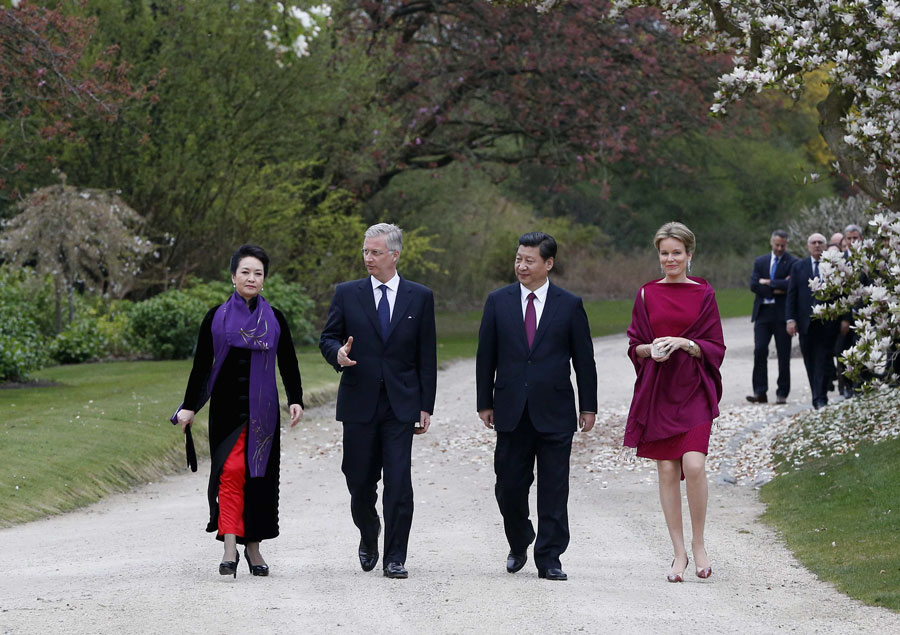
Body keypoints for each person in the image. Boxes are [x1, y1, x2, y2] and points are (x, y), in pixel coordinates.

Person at [173, 244, 304, 578]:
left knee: (258, 479)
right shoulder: (215, 318)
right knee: (230, 475)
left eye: (258, 273)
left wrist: (295, 398)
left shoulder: (275, 319)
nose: (251, 277)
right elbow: (201, 366)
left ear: (264, 280)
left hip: (263, 415)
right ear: (233, 276)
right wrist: (189, 407)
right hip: (227, 413)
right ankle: (230, 546)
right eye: (245, 271)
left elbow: (287, 361)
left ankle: (254, 548)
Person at [476, 232, 597, 581]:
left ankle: (549, 557)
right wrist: (485, 401)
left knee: (554, 488)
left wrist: (588, 406)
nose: (521, 265)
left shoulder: (569, 304)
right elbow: (486, 357)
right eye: (518, 259)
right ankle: (519, 538)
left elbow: (584, 360)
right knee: (509, 486)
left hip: (555, 409)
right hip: (511, 409)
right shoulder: (498, 302)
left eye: (529, 260)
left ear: (548, 263)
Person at [319, 223, 437, 579]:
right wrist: (337, 354)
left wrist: (425, 405)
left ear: (395, 255)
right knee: (358, 478)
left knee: (399, 482)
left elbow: (426, 356)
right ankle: (369, 532)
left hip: (401, 404)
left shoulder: (420, 296)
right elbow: (328, 337)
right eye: (365, 251)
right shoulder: (347, 293)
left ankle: (395, 556)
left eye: (375, 252)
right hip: (359, 401)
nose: (368, 258)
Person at [624, 222, 725, 583]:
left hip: (695, 389)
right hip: (659, 391)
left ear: (689, 254)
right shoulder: (647, 294)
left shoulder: (704, 293)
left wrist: (686, 344)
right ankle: (679, 553)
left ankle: (700, 545)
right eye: (664, 253)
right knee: (667, 470)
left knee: (694, 465)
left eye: (676, 253)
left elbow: (716, 345)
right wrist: (650, 349)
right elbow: (634, 344)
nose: (670, 259)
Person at [785, 233, 841, 409]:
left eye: (820, 242)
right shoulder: (798, 267)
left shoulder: (834, 266)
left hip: (828, 322)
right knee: (810, 360)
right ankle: (816, 394)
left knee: (823, 359)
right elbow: (792, 295)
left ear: (825, 245)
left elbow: (841, 293)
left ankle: (821, 396)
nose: (817, 245)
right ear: (808, 246)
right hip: (805, 323)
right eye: (813, 243)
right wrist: (790, 319)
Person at [748, 229, 797, 405]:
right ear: (771, 242)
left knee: (783, 354)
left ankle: (782, 392)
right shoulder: (760, 262)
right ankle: (760, 391)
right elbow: (754, 285)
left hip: (782, 314)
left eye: (783, 245)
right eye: (777, 245)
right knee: (760, 350)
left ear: (786, 244)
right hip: (763, 313)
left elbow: (791, 284)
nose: (779, 248)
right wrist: (777, 288)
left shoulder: (792, 262)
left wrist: (768, 282)